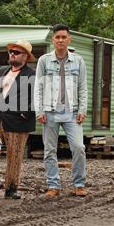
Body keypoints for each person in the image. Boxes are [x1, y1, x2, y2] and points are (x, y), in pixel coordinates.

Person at [34, 24, 88, 197]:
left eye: (64, 37)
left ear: (69, 39)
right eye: (57, 37)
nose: (60, 40)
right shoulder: (44, 60)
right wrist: (39, 110)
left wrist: (82, 109)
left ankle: (79, 184)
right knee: (50, 150)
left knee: (79, 148)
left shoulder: (78, 61)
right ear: (53, 40)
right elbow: (38, 88)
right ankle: (53, 186)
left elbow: (83, 88)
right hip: (49, 112)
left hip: (72, 113)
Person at [0, 40, 36, 199]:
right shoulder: (1, 71)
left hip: (18, 120)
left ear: (25, 57)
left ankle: (11, 188)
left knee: (14, 155)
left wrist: (25, 113)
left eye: (16, 52)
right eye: (11, 52)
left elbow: (37, 97)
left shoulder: (32, 74)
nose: (12, 54)